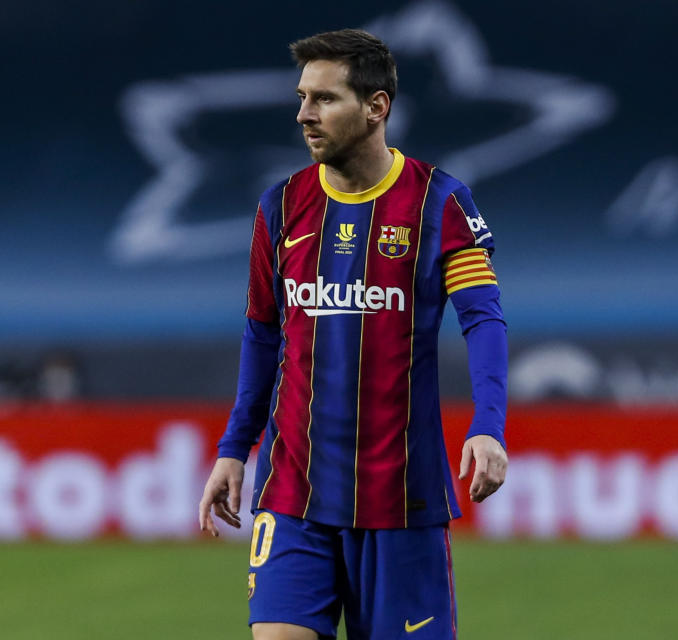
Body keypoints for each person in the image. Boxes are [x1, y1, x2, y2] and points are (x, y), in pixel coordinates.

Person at [198, 28, 509, 640]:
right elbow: (263, 334)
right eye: (302, 97)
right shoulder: (279, 207)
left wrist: (488, 425)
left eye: (324, 99)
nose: (303, 114)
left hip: (401, 500)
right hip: (293, 493)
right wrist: (235, 447)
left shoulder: (439, 203)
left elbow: (483, 317)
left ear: (376, 107)